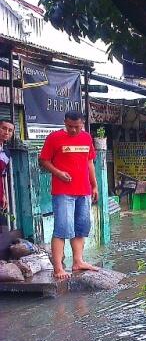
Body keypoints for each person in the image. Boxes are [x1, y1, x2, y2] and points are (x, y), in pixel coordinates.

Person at [38, 111, 100, 280]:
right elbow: (43, 160)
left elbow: (90, 162)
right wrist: (58, 173)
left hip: (84, 190)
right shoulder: (54, 138)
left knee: (81, 227)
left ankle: (78, 261)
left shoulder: (87, 138)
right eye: (70, 126)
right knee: (62, 229)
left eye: (77, 127)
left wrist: (94, 185)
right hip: (63, 191)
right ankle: (58, 268)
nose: (73, 130)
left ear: (83, 123)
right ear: (64, 122)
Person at [0, 119, 13, 228]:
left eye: (10, 130)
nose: (6, 132)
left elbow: (2, 175)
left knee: (2, 226)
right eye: (3, 128)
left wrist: (3, 195)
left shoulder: (6, 153)